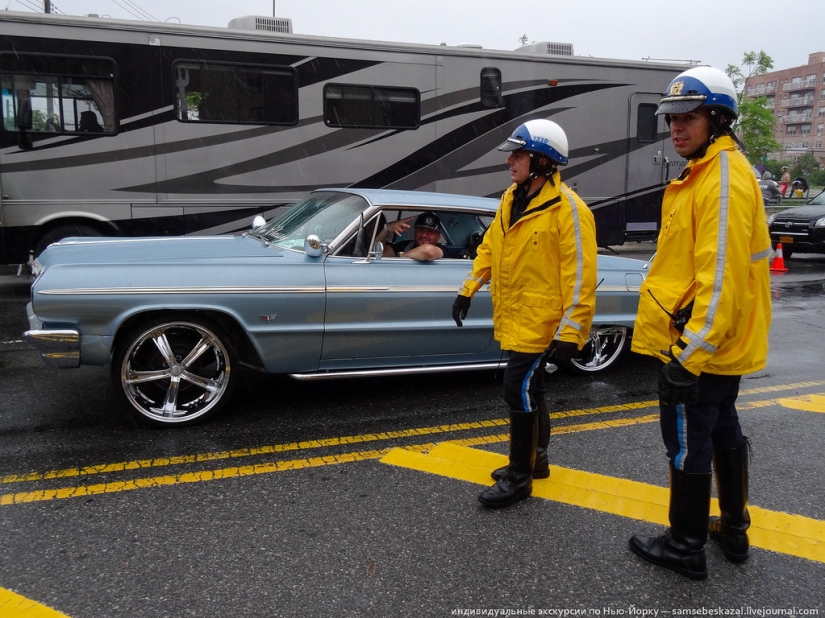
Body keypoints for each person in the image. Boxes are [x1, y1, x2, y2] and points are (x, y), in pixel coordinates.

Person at [628, 66, 772, 580]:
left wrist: (688, 357)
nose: (676, 129)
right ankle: (733, 527)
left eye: (688, 118)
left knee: (688, 441)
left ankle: (685, 545)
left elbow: (721, 279)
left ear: (718, 120)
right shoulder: (708, 172)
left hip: (699, 348)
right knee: (723, 428)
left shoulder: (722, 179)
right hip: (716, 344)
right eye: (672, 119)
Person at [451, 119, 597, 509]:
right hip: (516, 316)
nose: (509, 161)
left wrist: (572, 331)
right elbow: (489, 248)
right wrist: (469, 289)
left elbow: (581, 276)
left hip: (543, 322)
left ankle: (519, 478)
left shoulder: (570, 210)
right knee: (532, 390)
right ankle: (537, 461)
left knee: (516, 389)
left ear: (543, 161)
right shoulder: (510, 199)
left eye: (517, 154)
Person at [378, 211, 445, 261]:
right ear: (415, 232)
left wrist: (401, 255)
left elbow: (427, 251)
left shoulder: (442, 249)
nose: (424, 235)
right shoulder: (406, 245)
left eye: (430, 232)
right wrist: (386, 228)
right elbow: (377, 254)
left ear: (438, 236)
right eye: (420, 230)